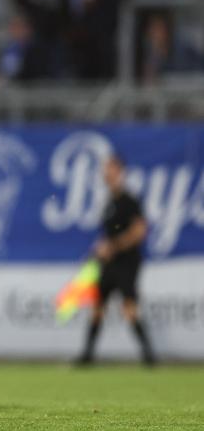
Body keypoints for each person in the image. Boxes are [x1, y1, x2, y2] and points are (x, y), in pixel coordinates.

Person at [77, 155, 155, 366]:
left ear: (120, 171)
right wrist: (98, 251)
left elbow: (140, 231)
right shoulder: (108, 202)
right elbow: (108, 235)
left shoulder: (129, 201)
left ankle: (149, 357)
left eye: (110, 168)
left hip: (127, 262)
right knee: (97, 307)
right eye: (105, 169)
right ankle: (87, 356)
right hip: (108, 263)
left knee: (128, 308)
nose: (106, 173)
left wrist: (115, 246)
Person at [14, 0, 72, 80]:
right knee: (33, 70)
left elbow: (66, 12)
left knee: (55, 71)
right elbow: (19, 7)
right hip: (33, 36)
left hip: (55, 36)